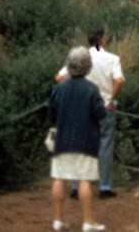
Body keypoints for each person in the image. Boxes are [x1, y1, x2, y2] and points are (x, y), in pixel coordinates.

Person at [57, 27, 125, 198]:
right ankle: (104, 187)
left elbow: (59, 78)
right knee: (105, 145)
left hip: (80, 107)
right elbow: (119, 80)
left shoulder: (80, 57)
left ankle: (75, 187)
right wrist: (111, 100)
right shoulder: (112, 58)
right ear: (102, 41)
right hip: (103, 106)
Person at [48, 46, 108, 232]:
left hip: (62, 140)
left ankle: (58, 220)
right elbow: (101, 114)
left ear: (69, 65)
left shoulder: (59, 88)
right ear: (87, 67)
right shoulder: (92, 89)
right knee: (84, 180)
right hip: (85, 141)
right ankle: (88, 222)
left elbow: (51, 113)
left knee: (59, 178)